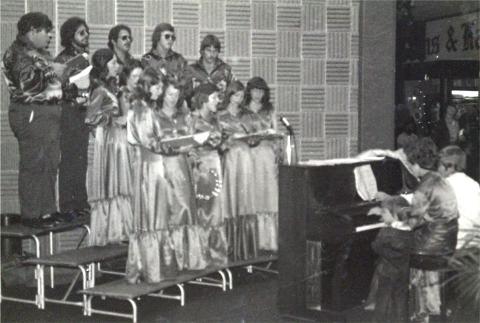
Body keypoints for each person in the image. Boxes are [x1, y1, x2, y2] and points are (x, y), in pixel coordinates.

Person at [2, 12, 66, 228]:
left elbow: (51, 82)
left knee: (50, 163)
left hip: (48, 114)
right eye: (46, 31)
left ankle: (47, 211)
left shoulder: (41, 53)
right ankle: (31, 214)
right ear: (32, 31)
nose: (49, 35)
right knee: (33, 163)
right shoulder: (15, 53)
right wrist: (52, 71)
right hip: (30, 113)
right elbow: (27, 84)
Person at [125, 68, 179, 283]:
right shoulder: (142, 110)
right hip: (150, 167)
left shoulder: (144, 108)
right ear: (147, 86)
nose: (160, 90)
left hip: (151, 165)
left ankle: (150, 266)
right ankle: (152, 269)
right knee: (153, 215)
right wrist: (175, 146)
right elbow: (151, 142)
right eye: (156, 86)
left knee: (153, 215)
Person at [403, 137, 458, 323]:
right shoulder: (440, 180)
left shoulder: (422, 188)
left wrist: (398, 212)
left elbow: (411, 223)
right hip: (447, 244)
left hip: (427, 251)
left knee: (391, 246)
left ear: (416, 164)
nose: (410, 168)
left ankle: (418, 314)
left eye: (410, 164)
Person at [155, 76, 208, 271]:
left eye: (177, 94)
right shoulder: (154, 116)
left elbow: (191, 142)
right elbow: (153, 145)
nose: (173, 98)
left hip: (182, 167)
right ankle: (169, 260)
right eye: (170, 94)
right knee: (167, 212)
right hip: (162, 168)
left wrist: (192, 150)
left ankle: (187, 258)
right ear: (162, 94)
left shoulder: (184, 117)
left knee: (185, 209)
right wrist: (180, 148)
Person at [86, 48, 133, 246]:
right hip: (108, 142)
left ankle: (121, 230)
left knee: (121, 184)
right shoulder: (99, 90)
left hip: (118, 141)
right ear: (103, 66)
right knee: (112, 184)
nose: (117, 66)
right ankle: (112, 233)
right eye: (113, 63)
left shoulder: (113, 88)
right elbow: (91, 118)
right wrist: (115, 119)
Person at [55, 16, 91, 221]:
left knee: (81, 159)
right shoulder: (62, 60)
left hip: (81, 113)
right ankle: (68, 204)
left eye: (86, 32)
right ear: (70, 36)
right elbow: (56, 88)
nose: (86, 36)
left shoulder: (84, 58)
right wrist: (74, 92)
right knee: (69, 159)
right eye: (81, 32)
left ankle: (80, 201)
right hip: (68, 112)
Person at [218, 80, 258, 262]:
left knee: (246, 199)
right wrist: (226, 142)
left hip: (246, 159)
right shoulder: (220, 116)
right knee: (231, 198)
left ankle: (246, 248)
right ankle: (230, 247)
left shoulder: (247, 116)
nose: (239, 99)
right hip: (231, 159)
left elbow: (254, 137)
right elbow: (216, 141)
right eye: (236, 95)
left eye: (242, 96)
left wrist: (252, 139)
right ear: (229, 95)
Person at [191, 83, 228, 266]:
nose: (218, 101)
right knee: (206, 210)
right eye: (214, 97)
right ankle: (203, 254)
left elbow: (220, 144)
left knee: (215, 209)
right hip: (203, 167)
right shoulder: (194, 120)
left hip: (215, 163)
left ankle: (214, 253)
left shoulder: (215, 119)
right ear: (203, 100)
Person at [244, 77, 280, 253]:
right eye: (255, 90)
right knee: (253, 194)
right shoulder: (243, 110)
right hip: (250, 155)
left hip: (266, 154)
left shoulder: (269, 109)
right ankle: (253, 240)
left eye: (261, 91)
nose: (258, 94)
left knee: (268, 195)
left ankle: (270, 240)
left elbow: (276, 132)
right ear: (249, 91)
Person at [370, 196, 413, 323]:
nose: (381, 216)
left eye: (384, 212)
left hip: (387, 270)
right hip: (404, 270)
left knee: (383, 298)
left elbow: (376, 246)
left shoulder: (387, 231)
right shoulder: (410, 231)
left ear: (394, 215)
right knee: (400, 299)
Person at [437, 145, 480, 249]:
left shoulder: (443, 185)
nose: (437, 169)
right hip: (472, 245)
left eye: (438, 165)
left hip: (450, 246)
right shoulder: (474, 184)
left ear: (447, 166)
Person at [185, 34, 234, 109]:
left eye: (215, 51)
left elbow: (233, 93)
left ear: (218, 53)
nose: (211, 54)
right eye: (208, 50)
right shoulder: (192, 70)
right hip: (197, 112)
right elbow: (185, 95)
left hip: (220, 112)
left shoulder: (226, 70)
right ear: (202, 51)